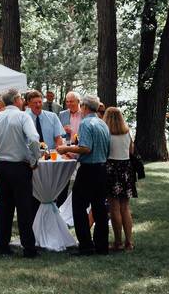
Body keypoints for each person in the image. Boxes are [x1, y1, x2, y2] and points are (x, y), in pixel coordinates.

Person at [0, 88, 40, 258]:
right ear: (17, 99)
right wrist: (34, 159)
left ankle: (2, 247)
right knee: (24, 207)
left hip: (2, 166)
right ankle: (29, 248)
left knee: (3, 207)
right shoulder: (23, 116)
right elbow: (33, 138)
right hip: (20, 166)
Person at [57, 94, 111, 255]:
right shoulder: (103, 123)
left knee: (78, 206)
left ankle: (86, 245)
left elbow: (86, 148)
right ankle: (102, 246)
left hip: (88, 169)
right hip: (102, 168)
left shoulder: (86, 123)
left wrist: (66, 149)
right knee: (99, 208)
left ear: (85, 107)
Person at [103, 106, 136, 251]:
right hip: (126, 169)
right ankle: (129, 242)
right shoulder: (127, 132)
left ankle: (118, 242)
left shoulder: (106, 133)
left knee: (114, 208)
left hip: (111, 169)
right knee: (125, 208)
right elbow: (131, 151)